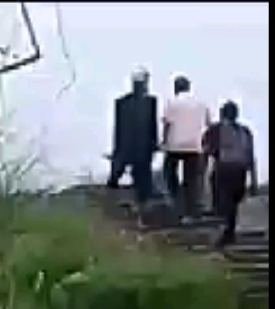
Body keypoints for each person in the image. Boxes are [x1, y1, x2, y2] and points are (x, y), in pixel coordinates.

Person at [206, 101, 258, 249]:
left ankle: (226, 233)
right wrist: (253, 180)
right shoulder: (245, 131)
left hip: (225, 167)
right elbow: (250, 156)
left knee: (224, 201)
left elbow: (209, 149)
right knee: (232, 203)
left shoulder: (217, 129)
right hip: (240, 169)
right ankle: (229, 232)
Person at [161, 75, 211, 220]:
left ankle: (176, 198)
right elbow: (209, 124)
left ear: (176, 87)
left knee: (169, 172)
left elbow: (167, 124)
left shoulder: (172, 102)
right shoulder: (201, 103)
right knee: (191, 179)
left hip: (175, 145)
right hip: (195, 145)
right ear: (189, 87)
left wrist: (164, 142)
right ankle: (191, 208)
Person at [108, 68, 159, 205]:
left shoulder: (122, 102)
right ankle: (143, 201)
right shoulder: (150, 102)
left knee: (124, 173)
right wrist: (154, 145)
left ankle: (138, 198)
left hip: (126, 146)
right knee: (143, 178)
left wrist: (117, 148)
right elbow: (152, 126)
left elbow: (118, 128)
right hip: (143, 147)